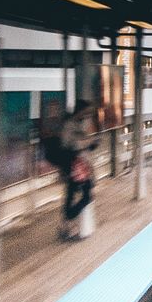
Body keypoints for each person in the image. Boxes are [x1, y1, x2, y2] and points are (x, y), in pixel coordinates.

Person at [60, 100, 97, 238]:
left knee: (74, 195)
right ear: (79, 111)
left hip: (83, 166)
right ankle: (69, 220)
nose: (88, 115)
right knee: (83, 196)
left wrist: (90, 144)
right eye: (86, 112)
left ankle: (68, 225)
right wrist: (86, 144)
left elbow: (83, 144)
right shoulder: (69, 126)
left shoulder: (81, 124)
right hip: (75, 167)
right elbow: (67, 146)